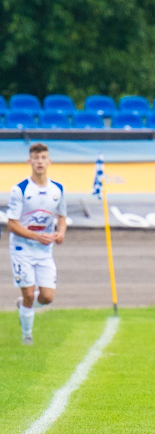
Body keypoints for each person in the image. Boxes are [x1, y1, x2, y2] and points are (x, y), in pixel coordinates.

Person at [7, 143, 67, 345]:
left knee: (48, 297)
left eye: (43, 158)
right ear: (29, 161)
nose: (39, 161)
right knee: (29, 294)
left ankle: (24, 305)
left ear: (49, 161)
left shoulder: (57, 189)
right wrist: (36, 237)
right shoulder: (20, 190)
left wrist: (60, 233)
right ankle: (27, 336)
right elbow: (12, 224)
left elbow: (62, 217)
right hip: (21, 249)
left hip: (44, 250)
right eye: (36, 158)